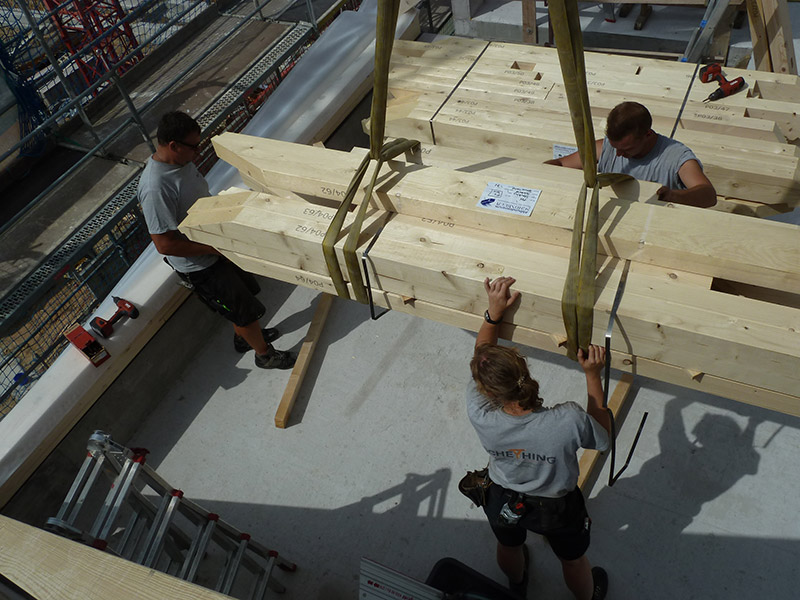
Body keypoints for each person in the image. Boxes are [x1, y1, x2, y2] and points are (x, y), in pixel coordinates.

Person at [467, 276, 611, 599]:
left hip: (502, 496)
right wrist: (592, 375)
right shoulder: (567, 420)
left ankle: (517, 585)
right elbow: (602, 437)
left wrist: (492, 315)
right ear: (524, 370)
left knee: (508, 545)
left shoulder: (479, 410)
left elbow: (482, 355)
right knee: (573, 561)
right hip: (556, 508)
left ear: (487, 392)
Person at [138, 111, 295, 369]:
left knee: (243, 299)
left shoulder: (181, 161)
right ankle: (264, 355)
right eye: (193, 146)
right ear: (173, 146)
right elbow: (164, 244)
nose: (198, 152)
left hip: (216, 247)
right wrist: (212, 248)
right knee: (243, 311)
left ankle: (244, 337)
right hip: (202, 266)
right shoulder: (156, 188)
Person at [546, 101, 716, 208]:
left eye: (626, 149)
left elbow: (708, 195)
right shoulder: (605, 148)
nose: (618, 154)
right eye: (615, 147)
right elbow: (560, 164)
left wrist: (672, 195)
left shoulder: (677, 157)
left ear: (647, 134)